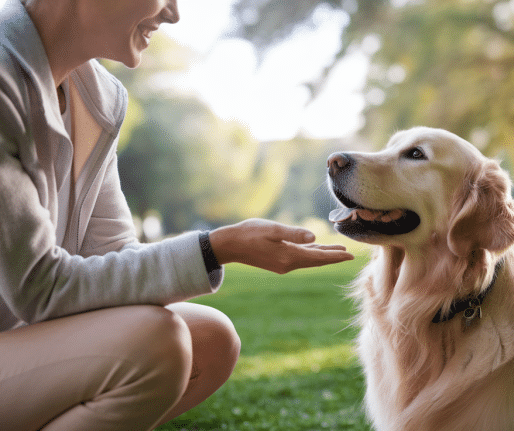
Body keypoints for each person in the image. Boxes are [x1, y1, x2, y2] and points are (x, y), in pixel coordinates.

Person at [0, 0, 355, 429]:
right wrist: (219, 247)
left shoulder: (98, 98)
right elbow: (40, 288)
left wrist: (221, 248)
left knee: (209, 339)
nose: (173, 13)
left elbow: (111, 259)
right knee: (155, 345)